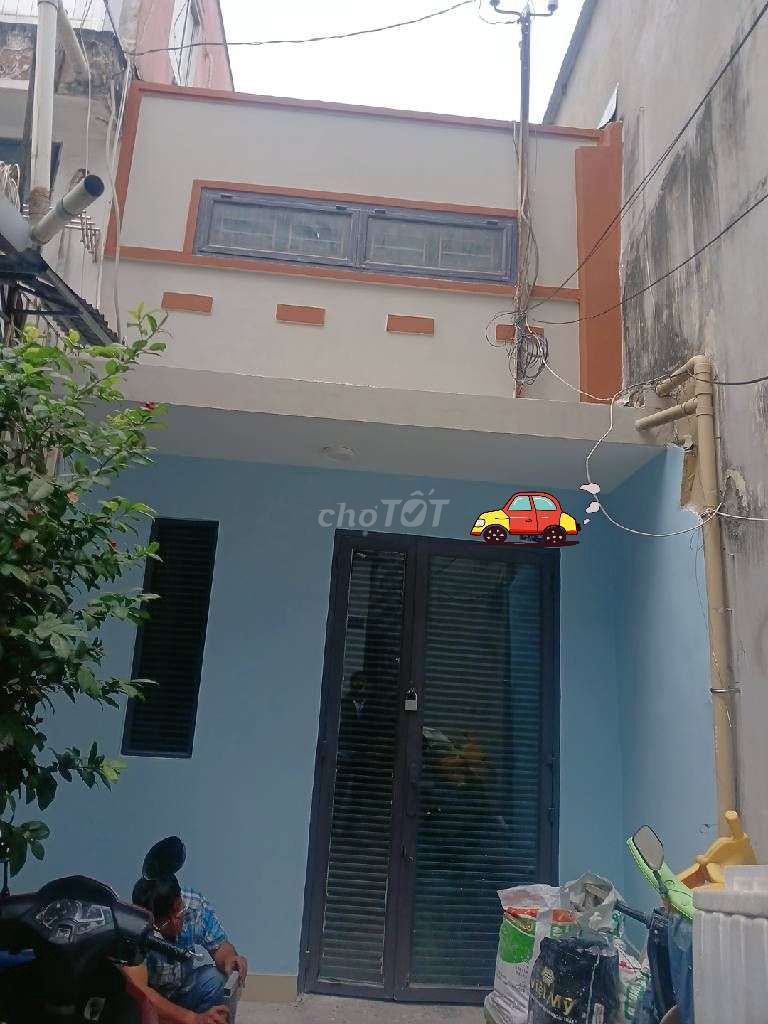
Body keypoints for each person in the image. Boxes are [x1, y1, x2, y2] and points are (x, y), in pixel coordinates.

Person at [121, 873, 248, 1024]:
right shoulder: (134, 929)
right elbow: (140, 993)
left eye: (178, 910)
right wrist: (193, 1019)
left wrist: (230, 958)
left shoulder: (193, 904)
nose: (175, 923)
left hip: (182, 990)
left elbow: (220, 946)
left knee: (215, 978)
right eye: (164, 922)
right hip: (151, 1007)